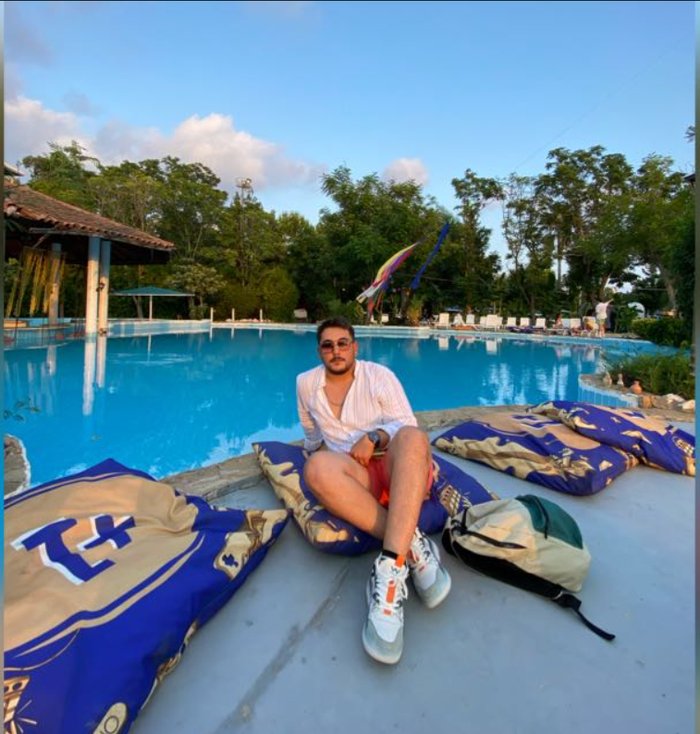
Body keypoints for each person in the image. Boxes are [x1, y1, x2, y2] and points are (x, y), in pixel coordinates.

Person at [296, 316, 451, 665]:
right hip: (356, 477)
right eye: (328, 345)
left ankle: (390, 566)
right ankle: (411, 544)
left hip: (397, 469)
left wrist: (375, 437)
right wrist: (313, 453)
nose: (336, 351)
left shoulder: (379, 376)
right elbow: (310, 431)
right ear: (319, 351)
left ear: (355, 347)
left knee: (413, 437)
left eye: (343, 344)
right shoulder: (305, 383)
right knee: (316, 467)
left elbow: (406, 424)